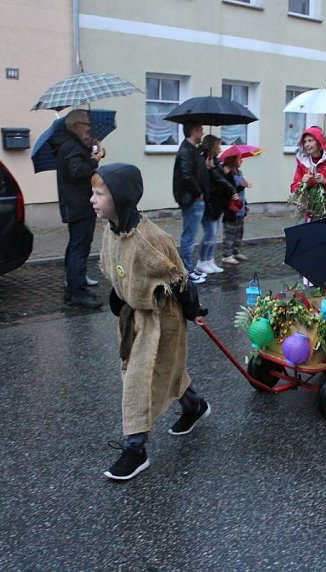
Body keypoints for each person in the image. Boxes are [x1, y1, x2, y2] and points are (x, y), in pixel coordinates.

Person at [91, 162, 211, 481]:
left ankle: (136, 449)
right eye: (93, 192)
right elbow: (119, 271)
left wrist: (194, 310)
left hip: (162, 319)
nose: (92, 199)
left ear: (121, 197)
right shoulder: (111, 232)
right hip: (134, 317)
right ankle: (194, 405)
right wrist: (120, 297)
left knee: (139, 379)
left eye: (100, 193)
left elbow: (180, 278)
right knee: (167, 371)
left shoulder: (152, 239)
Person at [51, 109, 106, 308]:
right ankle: (78, 292)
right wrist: (94, 160)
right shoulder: (71, 146)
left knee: (75, 245)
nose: (89, 127)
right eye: (86, 124)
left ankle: (72, 288)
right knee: (80, 248)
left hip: (75, 203)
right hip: (79, 204)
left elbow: (78, 166)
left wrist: (92, 150)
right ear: (75, 125)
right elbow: (77, 171)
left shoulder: (70, 144)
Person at [172, 122, 209, 284]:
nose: (203, 132)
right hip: (192, 199)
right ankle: (186, 271)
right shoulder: (186, 150)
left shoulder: (192, 149)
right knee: (189, 236)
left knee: (191, 235)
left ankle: (189, 268)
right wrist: (198, 193)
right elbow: (186, 175)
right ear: (193, 131)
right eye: (200, 130)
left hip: (194, 198)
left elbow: (195, 171)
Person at [195, 134, 235, 276]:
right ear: (212, 146)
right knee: (209, 233)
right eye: (218, 145)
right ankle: (202, 261)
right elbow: (209, 180)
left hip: (218, 202)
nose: (220, 148)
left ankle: (210, 260)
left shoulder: (216, 161)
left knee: (215, 233)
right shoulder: (202, 160)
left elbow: (221, 178)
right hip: (209, 202)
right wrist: (210, 169)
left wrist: (220, 170)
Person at [289, 126, 326, 222]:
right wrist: (303, 184)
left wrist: (325, 182)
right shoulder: (303, 162)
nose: (307, 145)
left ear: (319, 141)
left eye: (310, 141)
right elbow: (294, 187)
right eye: (305, 142)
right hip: (310, 214)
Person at [220, 152, 250, 266]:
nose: (242, 160)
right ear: (232, 160)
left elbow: (241, 193)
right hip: (231, 209)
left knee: (239, 232)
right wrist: (243, 186)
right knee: (230, 232)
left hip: (240, 207)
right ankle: (227, 255)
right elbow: (230, 190)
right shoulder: (227, 174)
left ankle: (235, 252)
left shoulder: (239, 173)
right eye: (239, 158)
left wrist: (245, 203)